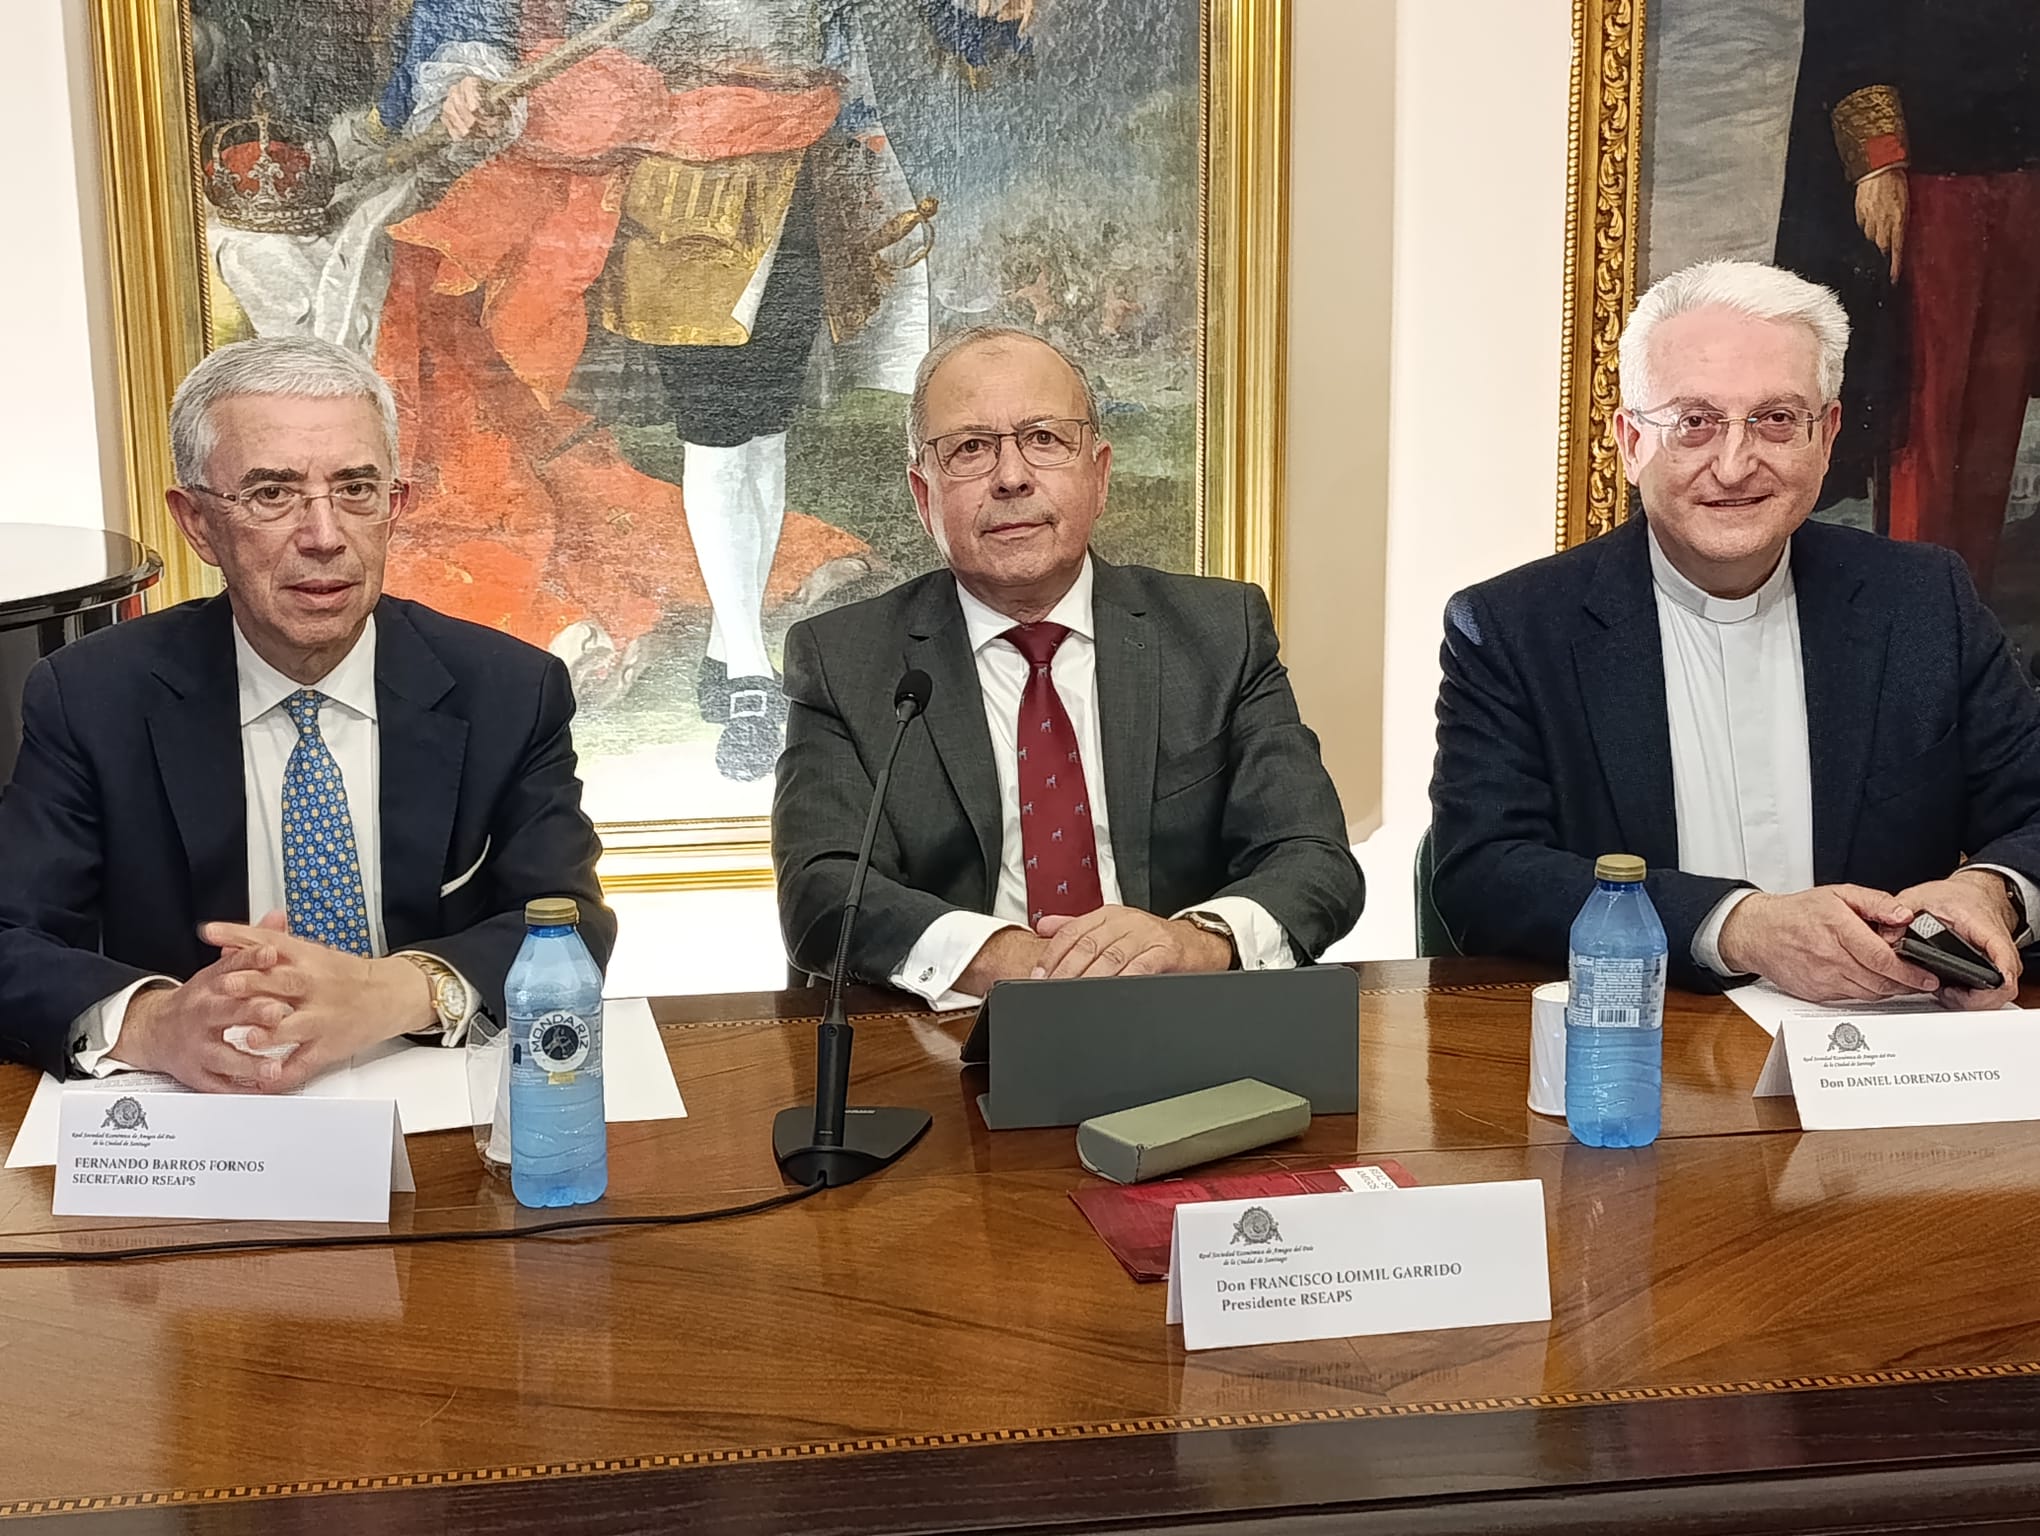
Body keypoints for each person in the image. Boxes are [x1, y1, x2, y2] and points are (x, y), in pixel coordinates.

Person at [0, 335, 615, 1090]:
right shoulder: (92, 698)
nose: (324, 537)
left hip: (430, 1100)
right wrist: (157, 1021)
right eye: (271, 494)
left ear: (394, 506)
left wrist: (390, 992)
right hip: (199, 1117)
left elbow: (569, 921)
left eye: (356, 489)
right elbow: (9, 937)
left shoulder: (508, 690)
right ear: (196, 522)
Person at [1429, 259, 2040, 1006]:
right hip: (1645, 1049)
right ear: (1630, 440)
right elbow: (1484, 874)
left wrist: (1990, 891)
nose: (1734, 463)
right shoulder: (1511, 628)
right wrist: (1735, 924)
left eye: (1776, 420)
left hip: (1891, 1040)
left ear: (1828, 434)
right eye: (1695, 422)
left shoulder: (1922, 601)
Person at [771, 326, 1363, 1004]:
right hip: (947, 1038)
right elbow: (821, 892)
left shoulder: (1221, 632)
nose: (1012, 477)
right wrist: (1011, 959)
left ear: (1099, 474)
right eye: (970, 449)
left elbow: (1314, 860)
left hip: (1184, 1025)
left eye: (1044, 439)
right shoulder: (844, 658)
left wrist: (1197, 943)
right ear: (923, 495)